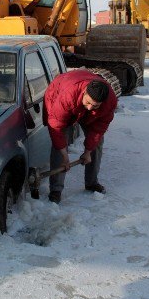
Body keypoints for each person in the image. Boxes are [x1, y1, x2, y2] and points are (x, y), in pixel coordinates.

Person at [42, 69, 117, 203]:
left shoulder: (109, 103)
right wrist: (65, 157)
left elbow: (98, 130)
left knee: (97, 143)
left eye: (95, 105)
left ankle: (91, 182)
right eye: (88, 102)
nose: (89, 108)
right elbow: (56, 128)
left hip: (81, 105)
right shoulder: (67, 96)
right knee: (59, 144)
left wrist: (88, 152)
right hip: (59, 94)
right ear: (84, 92)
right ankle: (56, 190)